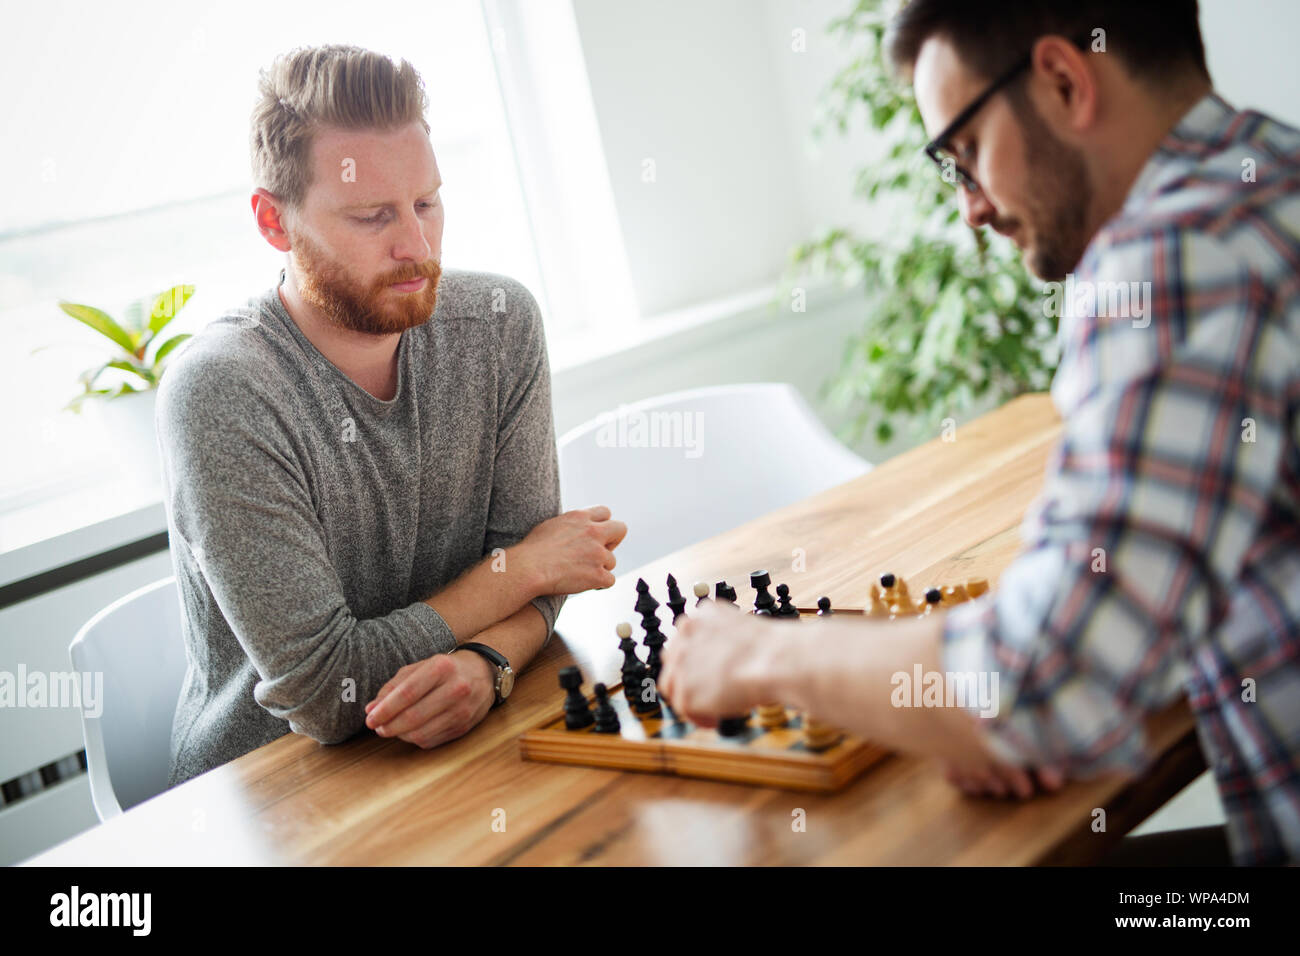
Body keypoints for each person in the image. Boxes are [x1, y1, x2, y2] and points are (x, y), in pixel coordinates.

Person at [660, 0, 1299, 866]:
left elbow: (1047, 684)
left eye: (963, 153)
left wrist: (766, 653)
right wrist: (988, 706)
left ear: (1066, 80)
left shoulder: (1174, 259)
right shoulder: (1268, 170)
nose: (970, 209)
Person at [158, 45, 626, 786]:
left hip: (457, 747)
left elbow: (552, 574)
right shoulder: (220, 391)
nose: (417, 246)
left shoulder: (499, 325)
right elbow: (325, 691)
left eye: (426, 203)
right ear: (273, 222)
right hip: (269, 790)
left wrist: (487, 663)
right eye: (372, 215)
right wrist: (523, 566)